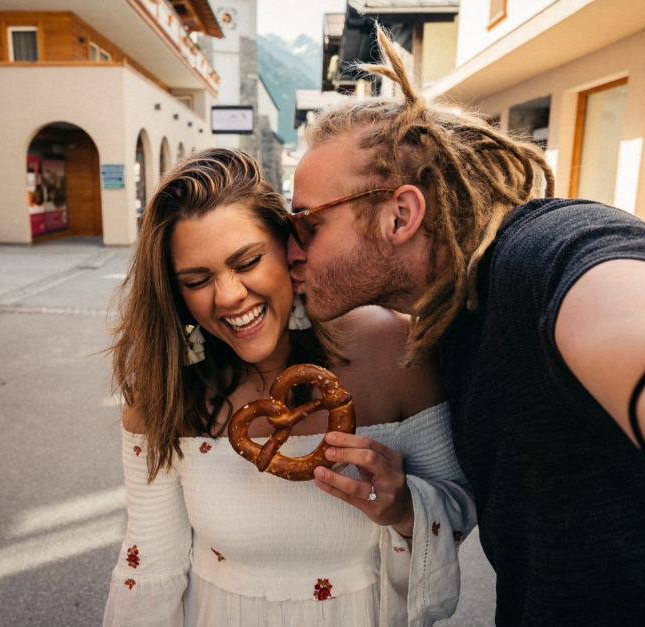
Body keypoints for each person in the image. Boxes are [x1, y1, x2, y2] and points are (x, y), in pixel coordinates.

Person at [287, 27, 645, 627]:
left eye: (306, 224)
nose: (291, 251)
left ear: (401, 214)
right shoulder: (454, 316)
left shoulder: (538, 258)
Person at [103, 148, 476, 627]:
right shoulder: (163, 391)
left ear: (289, 249)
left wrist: (406, 508)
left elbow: (460, 506)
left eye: (248, 261)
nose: (229, 295)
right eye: (198, 280)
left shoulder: (394, 351)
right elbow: (150, 558)